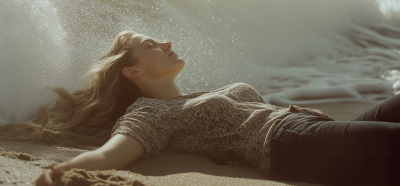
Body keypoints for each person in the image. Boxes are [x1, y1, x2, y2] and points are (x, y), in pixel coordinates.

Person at [0, 30, 398, 185]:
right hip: (296, 145)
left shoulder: (190, 99)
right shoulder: (149, 113)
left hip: (315, 128)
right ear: (132, 71)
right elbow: (111, 153)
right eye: (151, 45)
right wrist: (62, 172)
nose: (166, 43)